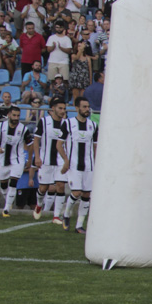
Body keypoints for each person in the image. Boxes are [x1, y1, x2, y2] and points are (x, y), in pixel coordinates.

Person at [56, 98, 98, 233]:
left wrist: (96, 162)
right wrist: (66, 160)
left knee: (86, 195)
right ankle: (66, 214)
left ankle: (79, 225)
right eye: (84, 107)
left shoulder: (93, 125)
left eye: (88, 107)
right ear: (76, 108)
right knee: (76, 192)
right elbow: (59, 144)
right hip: (74, 165)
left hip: (89, 165)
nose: (87, 109)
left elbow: (95, 146)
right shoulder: (68, 124)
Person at [0, 106, 33, 218]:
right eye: (14, 115)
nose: (16, 118)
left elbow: (30, 145)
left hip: (18, 160)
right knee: (3, 185)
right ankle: (9, 201)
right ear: (9, 115)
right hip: (3, 160)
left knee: (13, 183)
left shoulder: (23, 129)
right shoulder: (1, 127)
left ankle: (6, 209)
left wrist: (30, 160)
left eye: (18, 115)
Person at [31, 98, 69, 225]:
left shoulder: (66, 123)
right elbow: (36, 140)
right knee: (43, 188)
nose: (63, 111)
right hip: (46, 160)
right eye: (60, 108)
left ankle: (56, 216)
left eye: (64, 109)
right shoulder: (43, 122)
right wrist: (37, 157)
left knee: (60, 185)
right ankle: (39, 204)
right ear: (53, 108)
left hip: (60, 160)